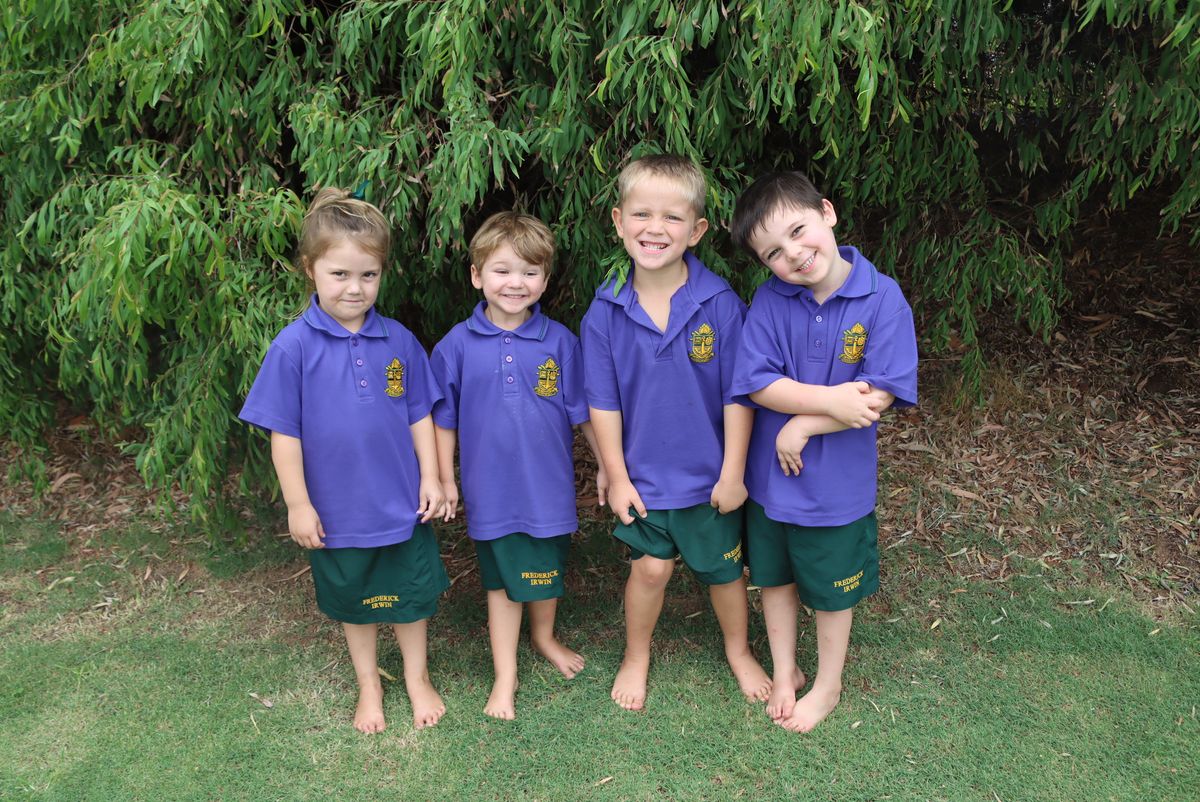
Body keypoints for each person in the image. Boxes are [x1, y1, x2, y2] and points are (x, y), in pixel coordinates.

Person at [239, 187, 448, 734]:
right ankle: (369, 684)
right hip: (337, 511)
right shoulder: (293, 347)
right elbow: (284, 434)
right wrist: (298, 504)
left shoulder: (398, 341)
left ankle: (417, 677)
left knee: (410, 596)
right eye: (339, 275)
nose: (355, 288)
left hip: (400, 503)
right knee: (356, 601)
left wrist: (431, 477)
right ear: (310, 269)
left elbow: (418, 414)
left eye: (368, 275)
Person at [728, 170, 918, 732]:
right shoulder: (771, 299)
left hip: (837, 486)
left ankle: (828, 684)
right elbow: (757, 382)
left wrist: (803, 426)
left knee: (832, 593)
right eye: (773, 252)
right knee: (775, 578)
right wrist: (829, 401)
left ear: (827, 213)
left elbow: (878, 394)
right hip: (771, 482)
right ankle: (785, 669)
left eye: (797, 231)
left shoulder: (882, 297)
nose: (792, 254)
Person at [581, 154, 772, 712]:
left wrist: (733, 473)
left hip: (710, 478)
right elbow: (602, 403)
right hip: (642, 478)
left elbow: (739, 395)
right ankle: (636, 654)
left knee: (724, 572)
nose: (655, 228)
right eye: (642, 214)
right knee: (650, 569)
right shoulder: (605, 311)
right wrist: (615, 475)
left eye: (672, 217)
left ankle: (739, 650)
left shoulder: (720, 305)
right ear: (619, 222)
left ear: (697, 230)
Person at [430, 212, 606, 720]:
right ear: (476, 275)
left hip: (547, 486)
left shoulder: (560, 343)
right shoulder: (456, 346)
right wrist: (443, 478)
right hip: (491, 489)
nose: (516, 283)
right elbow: (443, 420)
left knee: (546, 568)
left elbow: (582, 413)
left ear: (545, 281)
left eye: (530, 272)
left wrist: (606, 467)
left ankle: (544, 637)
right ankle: (505, 675)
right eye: (502, 270)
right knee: (502, 582)